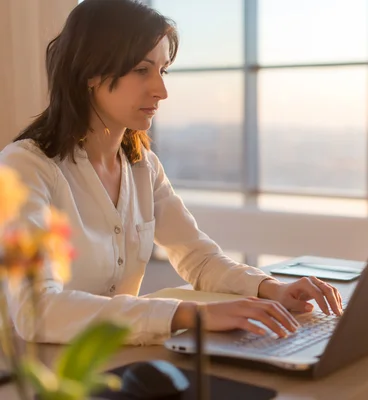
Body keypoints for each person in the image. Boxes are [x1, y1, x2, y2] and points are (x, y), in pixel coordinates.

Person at [0, 0, 342, 346]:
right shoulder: (25, 167)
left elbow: (199, 258)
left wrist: (272, 289)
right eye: (141, 70)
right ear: (91, 72)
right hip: (41, 377)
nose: (161, 91)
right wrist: (190, 315)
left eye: (163, 71)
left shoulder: (142, 166)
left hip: (119, 362)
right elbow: (36, 309)